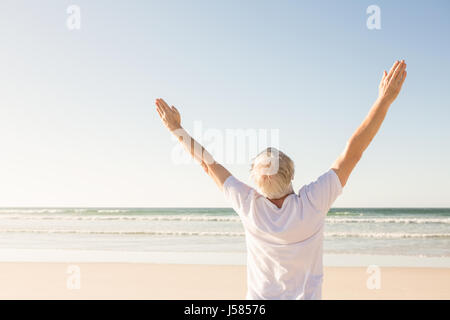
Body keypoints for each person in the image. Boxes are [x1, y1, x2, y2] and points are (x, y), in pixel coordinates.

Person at [155, 60, 407, 299]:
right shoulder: (312, 203)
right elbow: (353, 153)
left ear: (255, 183)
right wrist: (384, 100)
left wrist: (176, 130)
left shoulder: (248, 205)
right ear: (291, 175)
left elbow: (207, 165)